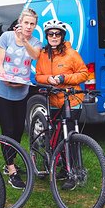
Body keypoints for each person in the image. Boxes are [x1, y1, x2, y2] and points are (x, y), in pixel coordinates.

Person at [35, 19, 89, 190]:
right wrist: (48, 79)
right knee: (57, 137)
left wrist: (64, 78)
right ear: (46, 36)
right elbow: (38, 76)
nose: (54, 36)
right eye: (51, 34)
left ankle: (73, 172)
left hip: (71, 101)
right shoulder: (43, 55)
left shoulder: (71, 54)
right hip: (52, 102)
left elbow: (84, 74)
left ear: (62, 36)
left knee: (70, 138)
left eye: (57, 34)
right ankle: (63, 169)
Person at [0, 8, 42, 189]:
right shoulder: (6, 37)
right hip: (3, 92)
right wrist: (6, 76)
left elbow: (35, 55)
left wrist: (24, 40)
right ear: (20, 23)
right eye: (26, 23)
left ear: (35, 26)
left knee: (19, 130)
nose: (29, 27)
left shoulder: (36, 42)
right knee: (8, 129)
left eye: (32, 24)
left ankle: (10, 161)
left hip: (22, 93)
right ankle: (12, 170)